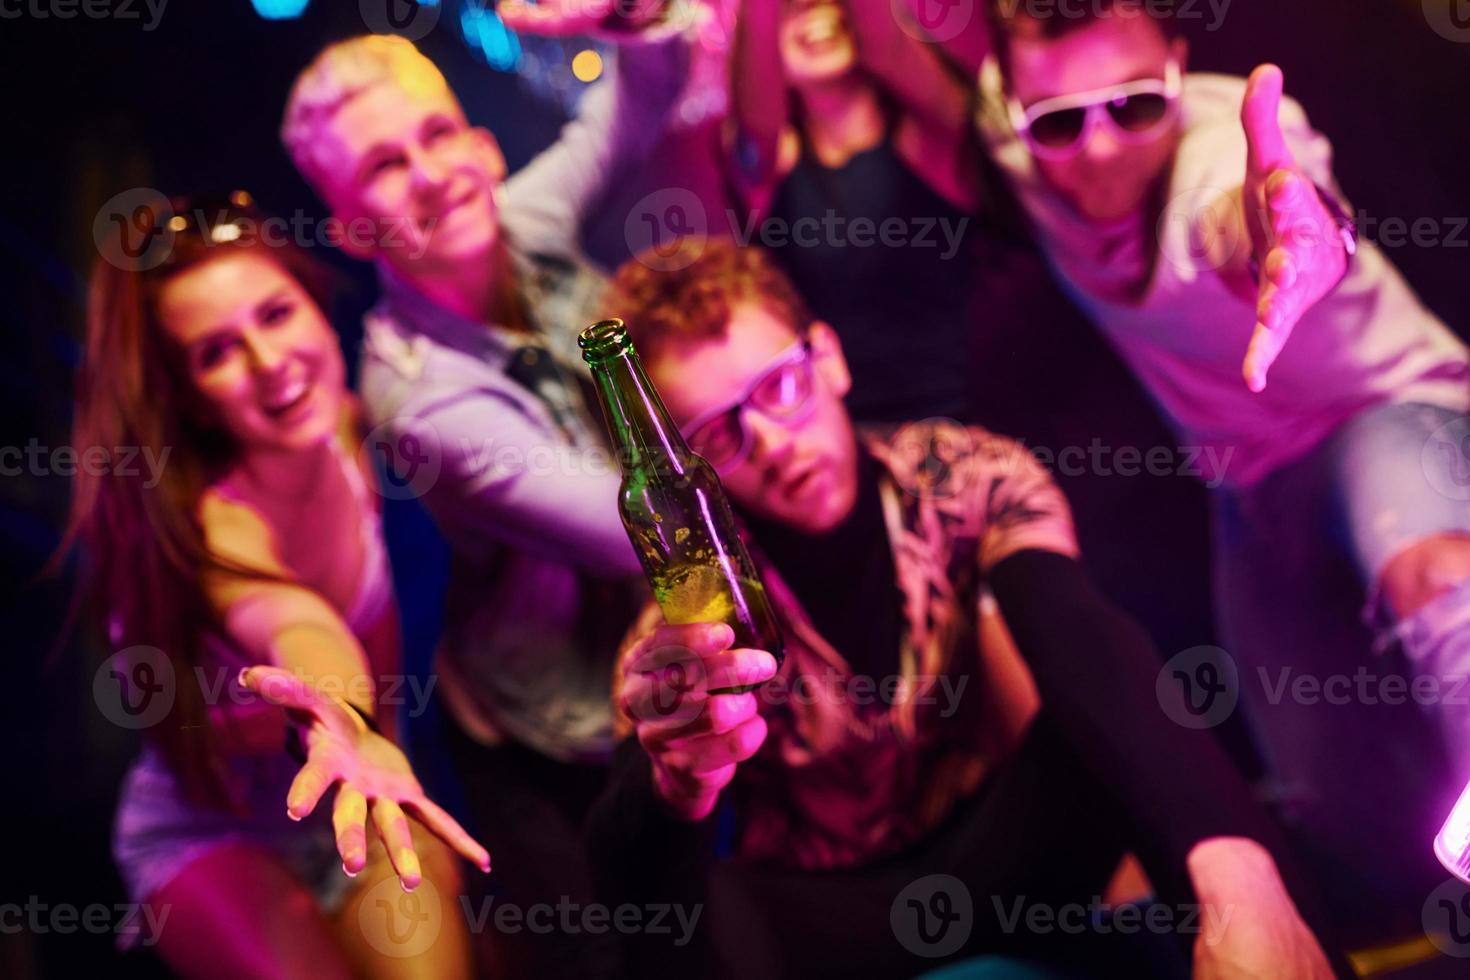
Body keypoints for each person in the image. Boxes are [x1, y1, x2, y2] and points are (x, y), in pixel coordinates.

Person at [588, 239, 1344, 978]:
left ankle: (1262, 920)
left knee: (1107, 706)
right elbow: (634, 872)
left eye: (781, 387)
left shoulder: (962, 474)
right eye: (718, 433)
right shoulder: (683, 627)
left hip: (1007, 858)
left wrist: (1229, 869)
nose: (774, 446)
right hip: (833, 924)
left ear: (829, 358)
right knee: (690, 902)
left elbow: (1081, 640)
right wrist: (676, 783)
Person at [975, 0, 1470, 933]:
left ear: (1176, 64)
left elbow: (1239, 207)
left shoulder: (1219, 140)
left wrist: (1287, 230)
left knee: (1430, 571)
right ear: (1008, 106)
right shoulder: (1011, 149)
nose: (1098, 148)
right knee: (1327, 792)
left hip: (1389, 413)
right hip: (1251, 487)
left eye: (1133, 106)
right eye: (1056, 121)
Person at [279, 16, 695, 974]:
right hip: (546, 744)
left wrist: (627, 16)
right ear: (349, 229)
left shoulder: (515, 218)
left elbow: (642, 94)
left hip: (650, 673)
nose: (430, 173)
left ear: (480, 143)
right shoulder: (416, 399)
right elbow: (642, 532)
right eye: (386, 166)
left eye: (435, 135)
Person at [64, 192, 487, 979]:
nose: (268, 362)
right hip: (216, 836)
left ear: (321, 311)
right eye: (216, 352)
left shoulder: (366, 433)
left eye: (276, 314)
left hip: (363, 790)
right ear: (189, 396)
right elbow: (294, 623)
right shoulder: (212, 522)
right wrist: (344, 715)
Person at [723, 0, 985, 422]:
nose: (812, 7)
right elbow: (752, 119)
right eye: (792, 7)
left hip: (968, 419)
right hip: (845, 433)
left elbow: (890, 47)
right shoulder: (775, 166)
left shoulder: (928, 140)